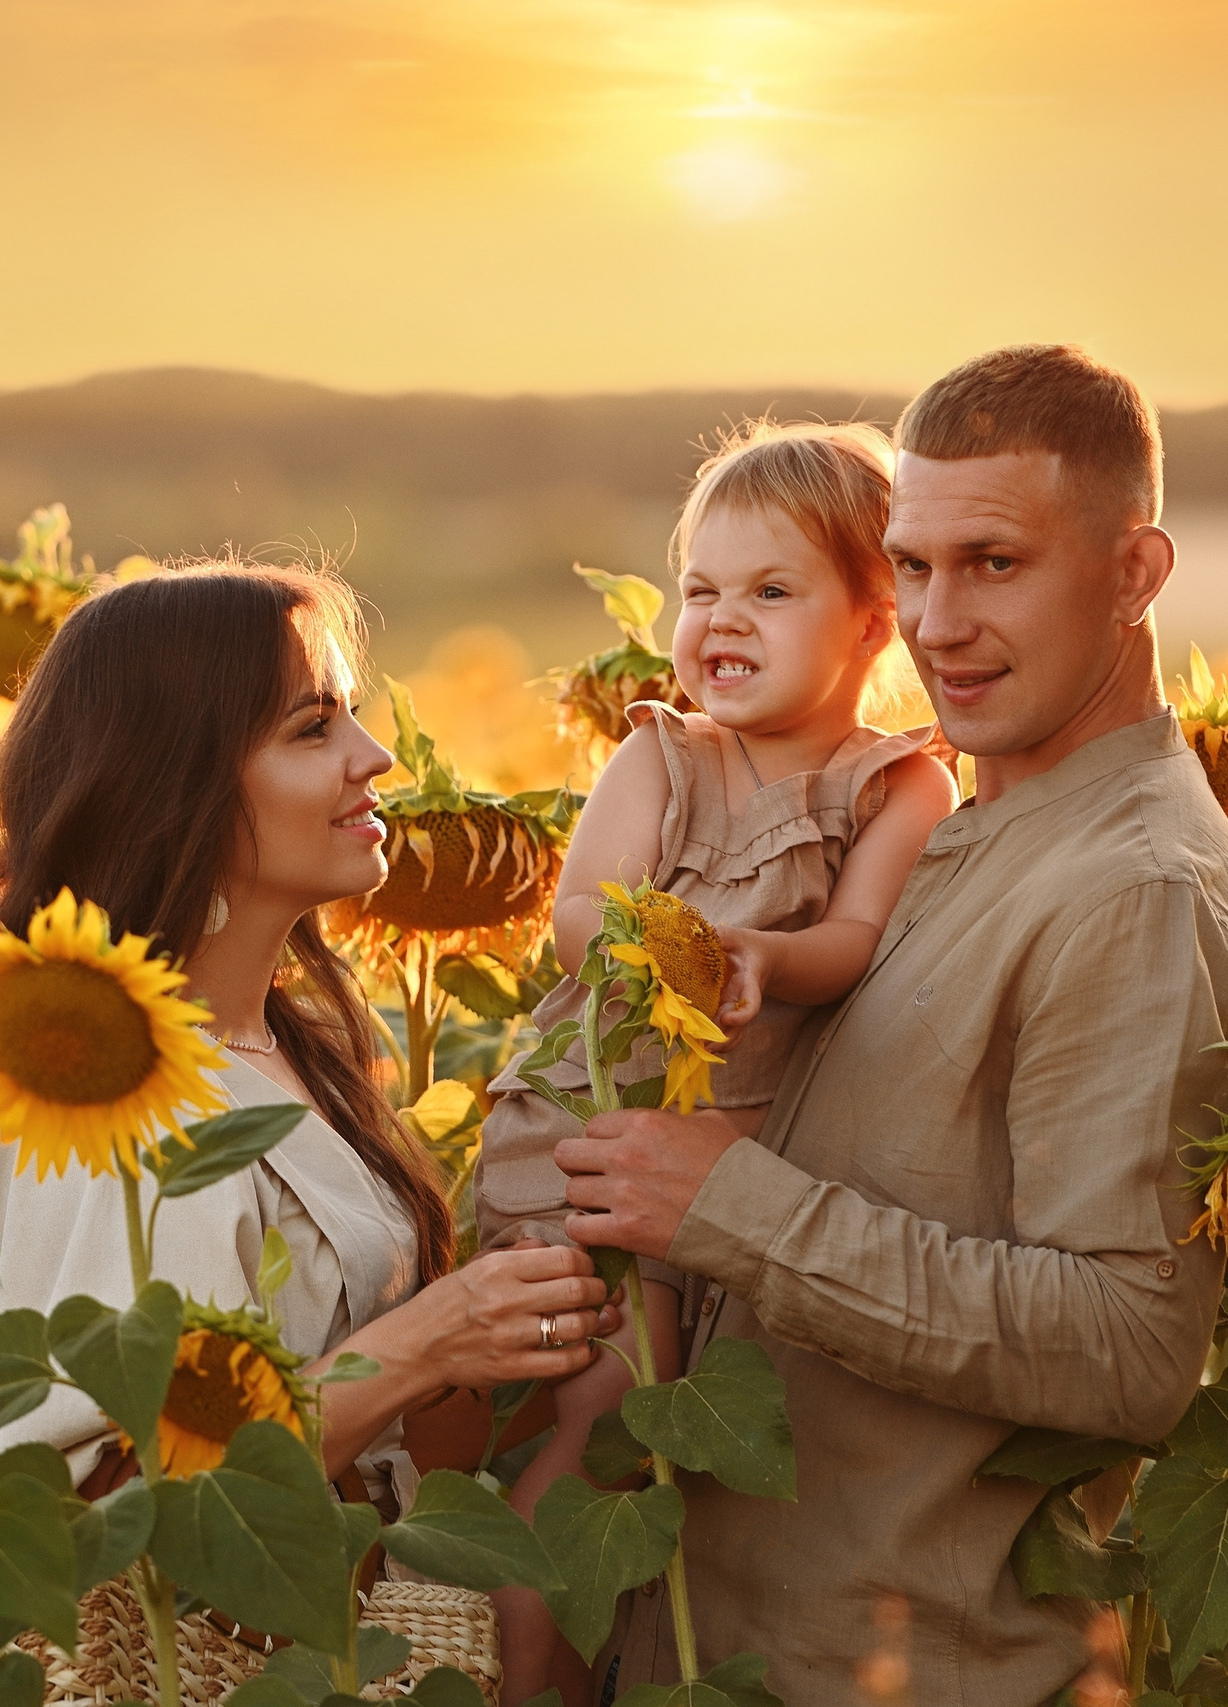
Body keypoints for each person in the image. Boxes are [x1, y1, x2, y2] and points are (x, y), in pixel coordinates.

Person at [552, 346, 1228, 1707]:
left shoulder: (1133, 886)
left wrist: (728, 1208)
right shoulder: (932, 817)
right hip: (722, 1648)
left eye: (995, 564)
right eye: (913, 567)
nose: (939, 622)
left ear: (1134, 572)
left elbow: (1126, 1345)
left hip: (894, 1667)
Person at [0, 561, 621, 1506]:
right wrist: (422, 1343)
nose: (376, 756)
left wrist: (530, 1329)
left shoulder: (291, 1052)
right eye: (313, 728)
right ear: (176, 787)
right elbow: (95, 1515)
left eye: (352, 715)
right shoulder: (94, 1109)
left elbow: (376, 1456)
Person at [472, 420, 955, 1707]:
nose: (720, 620)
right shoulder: (662, 756)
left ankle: (602, 1653)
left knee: (680, 1445)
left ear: (875, 621)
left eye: (771, 591)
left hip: (743, 1173)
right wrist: (672, 954)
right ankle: (517, 1648)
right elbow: (580, 916)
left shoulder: (899, 790)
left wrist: (764, 956)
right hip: (596, 1134)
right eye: (700, 590)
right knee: (607, 1418)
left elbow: (853, 941)